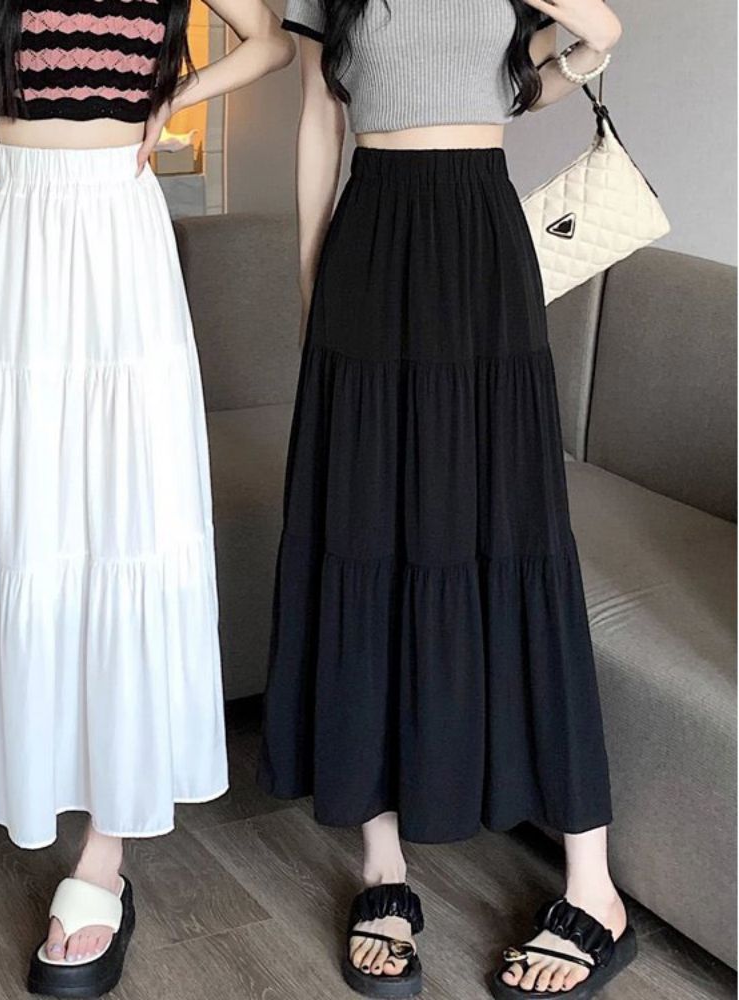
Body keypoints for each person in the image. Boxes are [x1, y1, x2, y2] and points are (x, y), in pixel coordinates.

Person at [0, 2, 293, 997]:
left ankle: (103, 858)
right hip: (17, 234)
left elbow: (268, 43)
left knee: (125, 525)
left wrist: (178, 95)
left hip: (125, 242)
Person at [256, 1, 635, 997]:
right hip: (369, 240)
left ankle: (593, 889)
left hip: (481, 239)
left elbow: (595, 34)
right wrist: (312, 287)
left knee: (520, 537)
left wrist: (565, 55)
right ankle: (383, 866)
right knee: (363, 532)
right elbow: (320, 120)